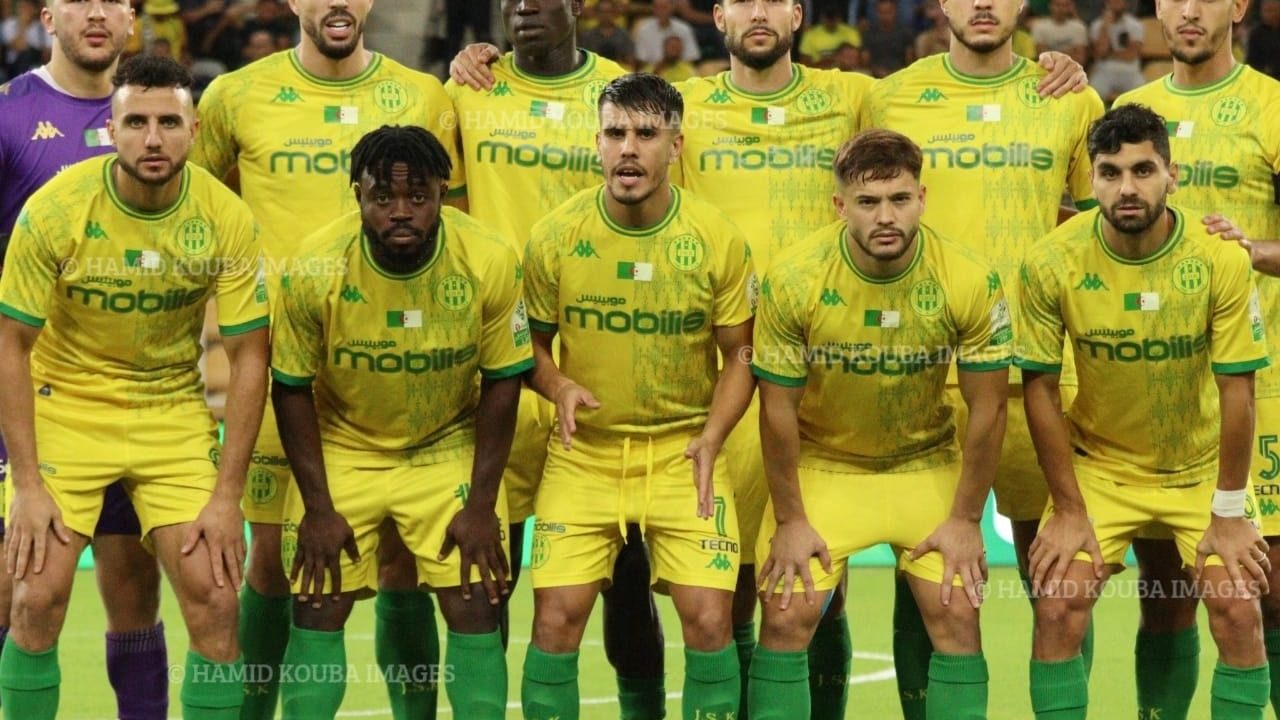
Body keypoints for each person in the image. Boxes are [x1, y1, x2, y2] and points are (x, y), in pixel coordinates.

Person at [451, 1, 1087, 715]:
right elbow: (606, 109)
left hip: (844, 366)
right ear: (718, 16)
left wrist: (1055, 66)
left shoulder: (858, 96)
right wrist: (483, 59)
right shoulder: (682, 107)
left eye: (774, 0)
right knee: (737, 593)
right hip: (715, 375)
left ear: (798, 14)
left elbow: (932, 142)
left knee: (870, 590)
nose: (759, 12)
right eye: (743, 1)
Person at [189, 1, 461, 716]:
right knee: (274, 562)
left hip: (397, 367)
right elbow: (198, 212)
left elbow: (452, 221)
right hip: (281, 371)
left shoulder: (424, 96)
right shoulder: (233, 97)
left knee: (402, 563)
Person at [0, 54, 269, 720]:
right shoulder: (55, 209)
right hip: (65, 410)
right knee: (34, 596)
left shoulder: (227, 216)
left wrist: (227, 497)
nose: (153, 139)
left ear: (194, 130)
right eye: (137, 122)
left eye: (169, 123)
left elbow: (249, 358)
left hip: (169, 414)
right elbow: (10, 345)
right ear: (111, 130)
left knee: (216, 600)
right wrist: (27, 485)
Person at [860, 0, 1105, 714]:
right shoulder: (888, 98)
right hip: (920, 377)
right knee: (927, 580)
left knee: (1059, 578)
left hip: (1038, 374)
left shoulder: (1069, 97)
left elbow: (1097, 232)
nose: (984, 4)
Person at [443, 2, 677, 714]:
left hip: (603, 370)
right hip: (497, 373)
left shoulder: (620, 98)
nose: (523, 6)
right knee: (486, 580)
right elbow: (443, 212)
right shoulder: (468, 90)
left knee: (626, 585)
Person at [1019, 102, 1272, 720]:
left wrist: (1229, 513)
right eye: (1110, 173)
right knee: (1057, 605)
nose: (1126, 188)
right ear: (1092, 179)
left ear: (1171, 175)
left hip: (1200, 470)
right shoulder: (1050, 260)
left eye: (1143, 170)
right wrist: (1069, 508)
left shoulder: (1219, 259)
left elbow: (1238, 391)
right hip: (1100, 469)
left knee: (1238, 608)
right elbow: (1039, 389)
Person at [269, 125, 529, 720]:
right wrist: (317, 508)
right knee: (316, 600)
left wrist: (481, 505)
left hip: (446, 444)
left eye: (419, 196)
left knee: (476, 599)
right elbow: (290, 388)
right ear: (357, 194)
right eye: (382, 197)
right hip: (345, 444)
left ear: (442, 193)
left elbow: (503, 381)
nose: (402, 211)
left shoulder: (487, 258)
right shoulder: (314, 265)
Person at [750, 127, 1010, 720]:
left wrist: (966, 519)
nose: (885, 217)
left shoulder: (969, 277)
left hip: (924, 463)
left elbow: (989, 408)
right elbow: (776, 409)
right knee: (787, 612)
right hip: (826, 466)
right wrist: (790, 520)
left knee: (958, 612)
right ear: (840, 205)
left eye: (899, 199)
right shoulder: (794, 277)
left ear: (923, 198)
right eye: (867, 202)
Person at [520, 72, 755, 720]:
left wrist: (711, 437)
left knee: (709, 620)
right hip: (585, 457)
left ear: (676, 146)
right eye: (615, 133)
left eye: (646, 134)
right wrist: (558, 384)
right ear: (596, 142)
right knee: (555, 620)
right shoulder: (555, 236)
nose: (628, 148)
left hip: (684, 456)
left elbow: (741, 355)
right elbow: (528, 347)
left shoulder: (715, 237)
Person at [0, 1, 175, 717]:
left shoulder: (166, 114)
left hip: (138, 399)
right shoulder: (9, 114)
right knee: (16, 586)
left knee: (134, 590)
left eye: (114, 1)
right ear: (48, 17)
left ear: (132, 19)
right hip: (31, 396)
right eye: (79, 0)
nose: (96, 14)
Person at [1110, 0, 1280, 716]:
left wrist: (1255, 251)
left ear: (1237, 8)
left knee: (1267, 595)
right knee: (1166, 596)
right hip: (1154, 394)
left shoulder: (1271, 106)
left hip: (1260, 387)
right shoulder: (1131, 109)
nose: (1187, 11)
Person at [1089, 0, 1145, 102]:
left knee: (1142, 95)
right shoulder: (1097, 25)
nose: (1115, 4)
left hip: (1130, 71)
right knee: (1093, 94)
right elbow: (1100, 53)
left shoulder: (1135, 25)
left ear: (1125, 4)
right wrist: (1105, 28)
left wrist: (1109, 53)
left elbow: (1130, 55)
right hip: (1104, 71)